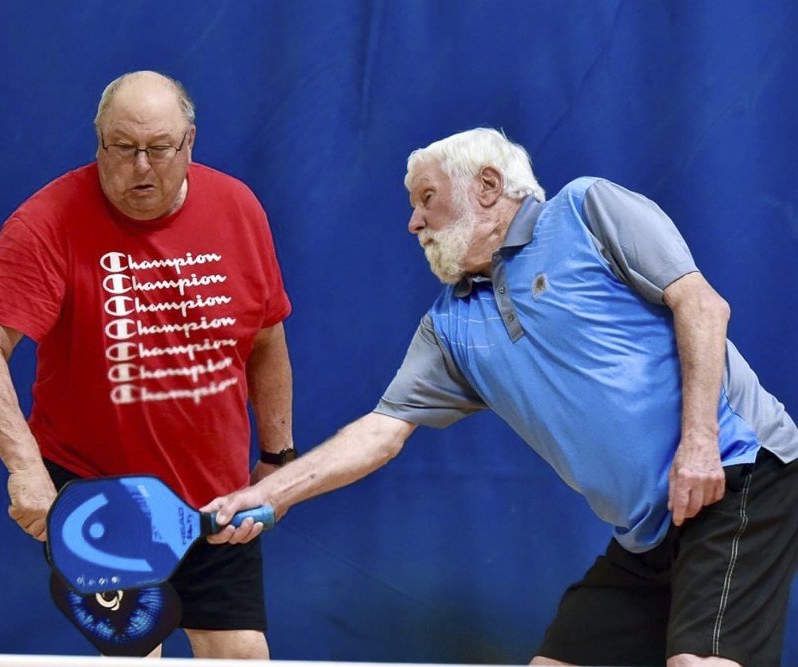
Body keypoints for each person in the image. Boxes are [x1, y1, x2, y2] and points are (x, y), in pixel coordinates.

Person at [203, 128, 798, 666]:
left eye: (426, 198)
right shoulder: (451, 325)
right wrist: (270, 495)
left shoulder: (587, 210)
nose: (413, 222)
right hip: (649, 528)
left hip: (737, 469)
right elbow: (381, 432)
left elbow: (700, 304)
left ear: (487, 186)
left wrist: (701, 441)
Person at [0, 71, 295, 659]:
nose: (139, 166)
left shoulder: (238, 207)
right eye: (120, 146)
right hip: (98, 498)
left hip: (216, 496)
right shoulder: (45, 223)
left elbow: (265, 338)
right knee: (136, 653)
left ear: (188, 142)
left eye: (157, 149)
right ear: (98, 141)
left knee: (240, 652)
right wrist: (26, 470)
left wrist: (276, 459)